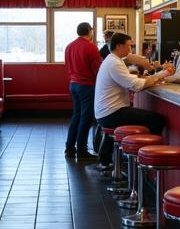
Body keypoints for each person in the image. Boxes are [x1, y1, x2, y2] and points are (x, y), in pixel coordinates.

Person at [94, 32, 169, 167]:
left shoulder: (113, 60)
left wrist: (149, 78)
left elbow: (133, 81)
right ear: (119, 46)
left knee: (147, 117)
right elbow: (135, 85)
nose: (131, 49)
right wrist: (162, 74)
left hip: (106, 112)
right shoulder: (114, 63)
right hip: (111, 113)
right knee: (157, 120)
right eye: (129, 46)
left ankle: (108, 159)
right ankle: (146, 160)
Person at [63, 21, 101, 161]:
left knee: (76, 116)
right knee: (86, 118)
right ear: (90, 31)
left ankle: (70, 148)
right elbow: (98, 69)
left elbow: (67, 66)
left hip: (73, 84)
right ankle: (82, 151)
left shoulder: (69, 47)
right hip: (86, 85)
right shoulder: (91, 47)